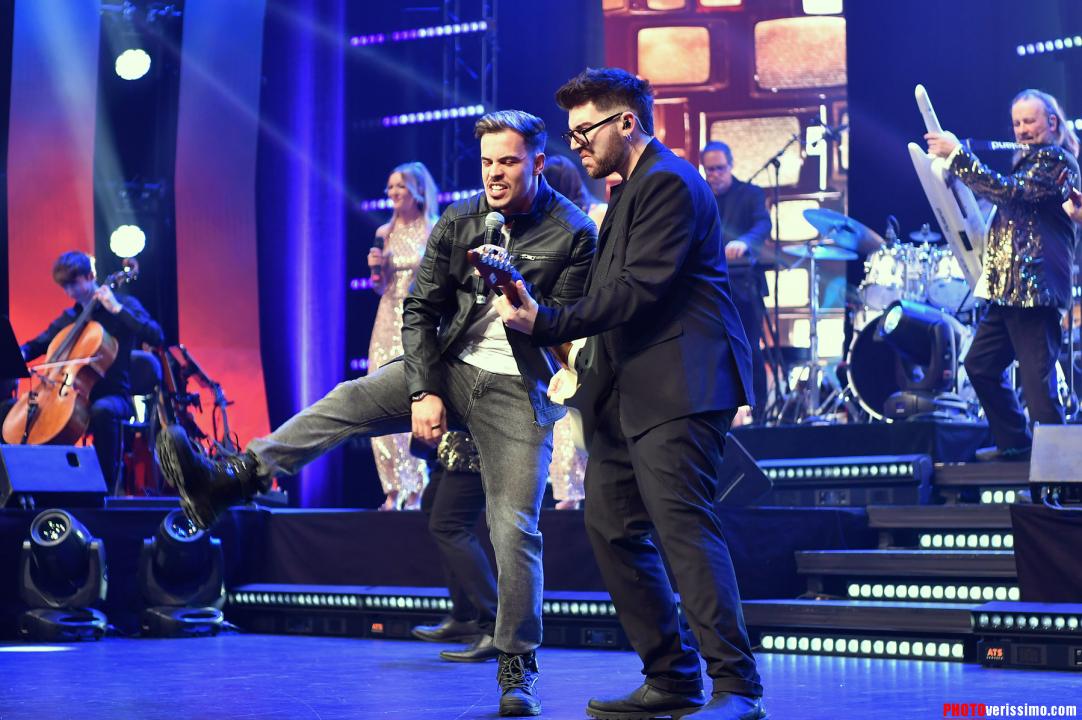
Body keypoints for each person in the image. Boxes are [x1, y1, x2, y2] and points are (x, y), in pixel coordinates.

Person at [157, 109, 597, 717]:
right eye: (487, 162)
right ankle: (233, 479)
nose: (494, 174)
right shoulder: (461, 217)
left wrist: (522, 300)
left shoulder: (575, 232)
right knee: (346, 399)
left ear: (538, 163)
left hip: (520, 389)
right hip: (450, 365)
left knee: (513, 527)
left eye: (508, 162)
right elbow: (419, 310)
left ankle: (517, 666)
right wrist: (423, 391)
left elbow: (570, 330)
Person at [494, 68, 765, 720]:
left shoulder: (669, 182)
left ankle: (737, 687)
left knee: (683, 528)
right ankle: (672, 677)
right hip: (630, 391)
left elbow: (638, 290)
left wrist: (547, 321)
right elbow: (608, 296)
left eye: (585, 130)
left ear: (627, 122)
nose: (577, 144)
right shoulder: (628, 192)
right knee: (611, 525)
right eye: (571, 134)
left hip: (683, 382)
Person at [925, 89, 1080, 461]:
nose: (1022, 129)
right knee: (980, 365)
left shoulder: (1057, 161)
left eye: (1029, 121)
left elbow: (1009, 192)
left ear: (1051, 123)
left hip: (1036, 290)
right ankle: (1017, 445)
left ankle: (1057, 470)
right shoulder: (1027, 163)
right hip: (1008, 290)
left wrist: (959, 157)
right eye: (1017, 123)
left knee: (1037, 385)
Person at [3, 251, 163, 494]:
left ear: (90, 276)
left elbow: (156, 335)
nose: (69, 292)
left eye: (73, 284)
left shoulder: (122, 305)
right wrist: (20, 353)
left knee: (102, 410)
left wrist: (117, 309)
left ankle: (104, 489)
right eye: (64, 287)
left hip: (113, 395)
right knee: (7, 410)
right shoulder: (70, 317)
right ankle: (22, 488)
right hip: (67, 395)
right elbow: (39, 343)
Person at [367, 161, 439, 510]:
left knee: (415, 401)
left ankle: (416, 488)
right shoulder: (384, 232)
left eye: (401, 186)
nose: (394, 192)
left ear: (418, 192)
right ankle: (391, 489)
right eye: (391, 187)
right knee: (379, 401)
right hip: (386, 320)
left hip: (417, 321)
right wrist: (376, 271)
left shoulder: (432, 229)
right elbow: (378, 287)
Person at [410, 431, 499, 663]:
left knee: (450, 525)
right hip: (454, 446)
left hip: (477, 444)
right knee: (433, 508)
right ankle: (465, 616)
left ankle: (496, 628)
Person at [701, 141, 772, 425]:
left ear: (731, 166)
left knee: (750, 349)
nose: (715, 175)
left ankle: (760, 414)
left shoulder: (750, 194)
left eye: (720, 168)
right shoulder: (701, 196)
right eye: (709, 170)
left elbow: (763, 224)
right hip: (710, 289)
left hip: (745, 288)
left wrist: (745, 242)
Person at [541, 154, 597, 510]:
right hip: (557, 324)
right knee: (562, 405)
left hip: (586, 323)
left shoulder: (594, 219)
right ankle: (568, 494)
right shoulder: (542, 227)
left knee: (578, 406)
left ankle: (576, 494)